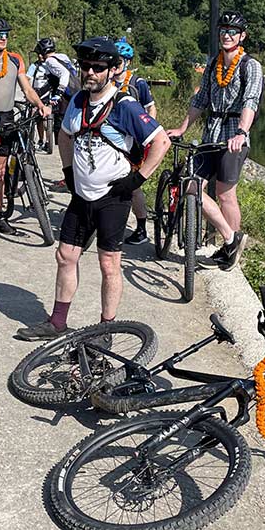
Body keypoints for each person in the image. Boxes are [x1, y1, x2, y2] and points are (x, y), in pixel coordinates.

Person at [16, 37, 171, 341]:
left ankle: (105, 329)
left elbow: (161, 141)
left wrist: (138, 179)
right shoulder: (77, 101)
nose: (90, 72)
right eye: (85, 66)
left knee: (108, 263)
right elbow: (64, 136)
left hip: (113, 197)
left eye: (97, 67)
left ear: (112, 70)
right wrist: (68, 172)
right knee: (65, 256)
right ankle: (57, 322)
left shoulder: (124, 105)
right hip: (81, 195)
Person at [167, 11, 263, 271]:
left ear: (242, 36)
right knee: (190, 183)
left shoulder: (250, 65)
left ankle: (230, 251)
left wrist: (241, 133)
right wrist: (182, 127)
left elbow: (250, 101)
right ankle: (232, 239)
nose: (227, 35)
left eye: (232, 31)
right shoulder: (213, 64)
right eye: (223, 30)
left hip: (233, 136)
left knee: (225, 194)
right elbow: (200, 100)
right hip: (211, 135)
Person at [0, 17, 50, 235]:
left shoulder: (15, 60)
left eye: (6, 35)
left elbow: (27, 89)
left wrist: (40, 104)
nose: (3, 39)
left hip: (7, 118)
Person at [111, 38, 158, 245]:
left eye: (119, 62)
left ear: (127, 63)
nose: (115, 66)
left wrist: (149, 134)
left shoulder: (137, 83)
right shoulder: (107, 81)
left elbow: (150, 107)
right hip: (112, 139)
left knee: (132, 185)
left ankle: (141, 227)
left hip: (134, 142)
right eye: (113, 61)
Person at [27, 37, 77, 154]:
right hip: (74, 92)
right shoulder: (63, 57)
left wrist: (59, 93)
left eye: (40, 53)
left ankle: (64, 148)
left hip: (65, 94)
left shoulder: (49, 61)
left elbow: (64, 74)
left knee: (61, 123)